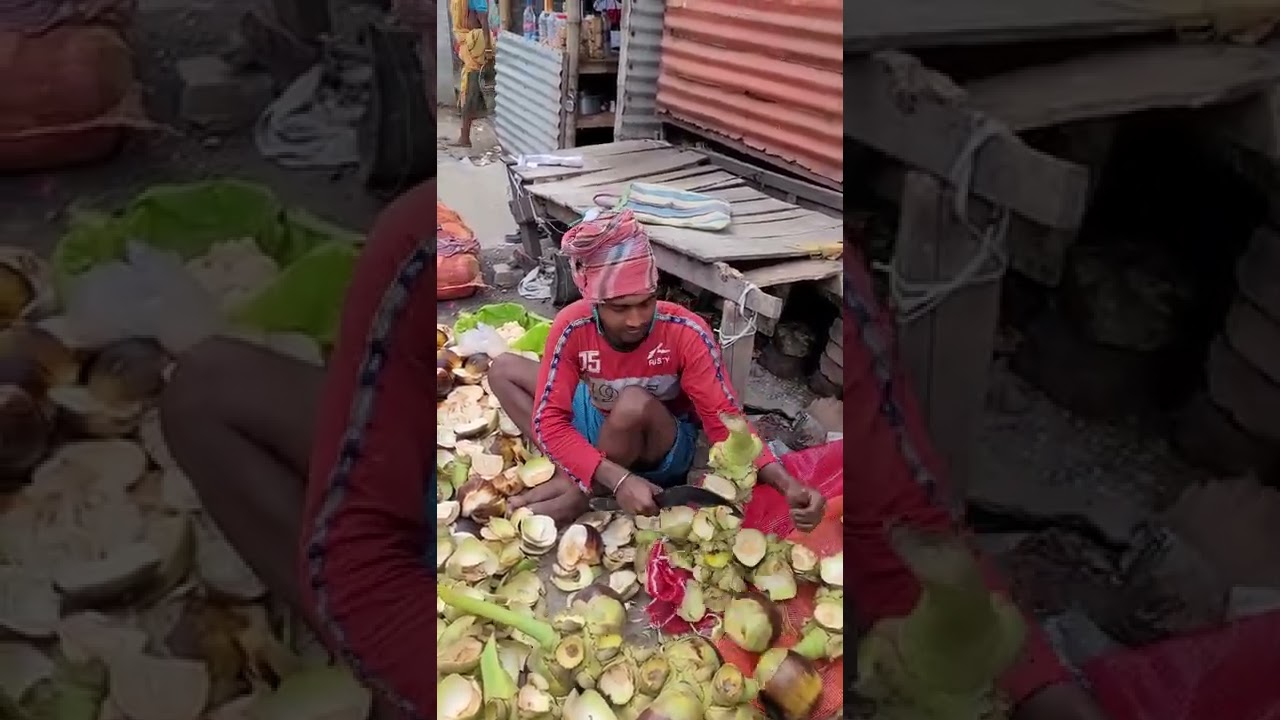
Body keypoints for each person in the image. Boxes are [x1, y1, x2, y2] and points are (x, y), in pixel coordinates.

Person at [480, 209, 827, 529]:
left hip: (662, 441)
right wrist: (618, 478)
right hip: (601, 416)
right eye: (620, 308)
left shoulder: (685, 332)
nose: (636, 319)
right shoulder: (573, 326)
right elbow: (550, 419)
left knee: (632, 403)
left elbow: (726, 424)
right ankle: (577, 473)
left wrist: (787, 483)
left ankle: (580, 494)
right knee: (504, 369)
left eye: (646, 302)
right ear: (595, 302)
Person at [450, 0, 489, 147]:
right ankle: (464, 136)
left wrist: (487, 49)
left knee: (470, 91)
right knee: (470, 90)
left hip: (475, 43)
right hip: (468, 43)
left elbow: (483, 19)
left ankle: (465, 138)